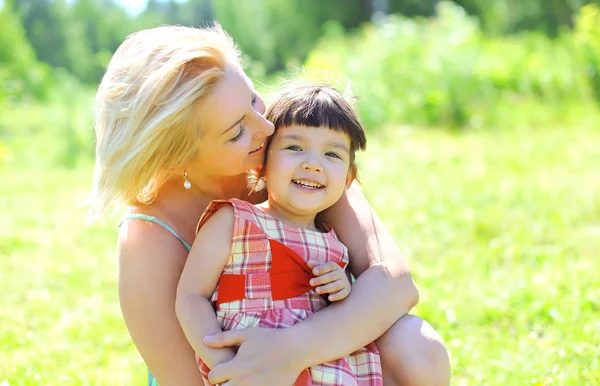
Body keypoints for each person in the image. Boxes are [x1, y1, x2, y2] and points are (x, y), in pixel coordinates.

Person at [90, 24, 450, 386]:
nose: (265, 126)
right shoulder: (149, 240)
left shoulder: (299, 143)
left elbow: (395, 284)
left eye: (251, 98)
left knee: (416, 346)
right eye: (236, 132)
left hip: (321, 360)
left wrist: (291, 349)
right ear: (177, 156)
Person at [177, 83, 383, 385]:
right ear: (262, 164)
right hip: (250, 369)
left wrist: (342, 289)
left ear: (348, 178)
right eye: (295, 148)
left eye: (332, 154)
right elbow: (191, 296)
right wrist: (225, 365)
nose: (312, 164)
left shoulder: (335, 243)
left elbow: (337, 322)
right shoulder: (234, 221)